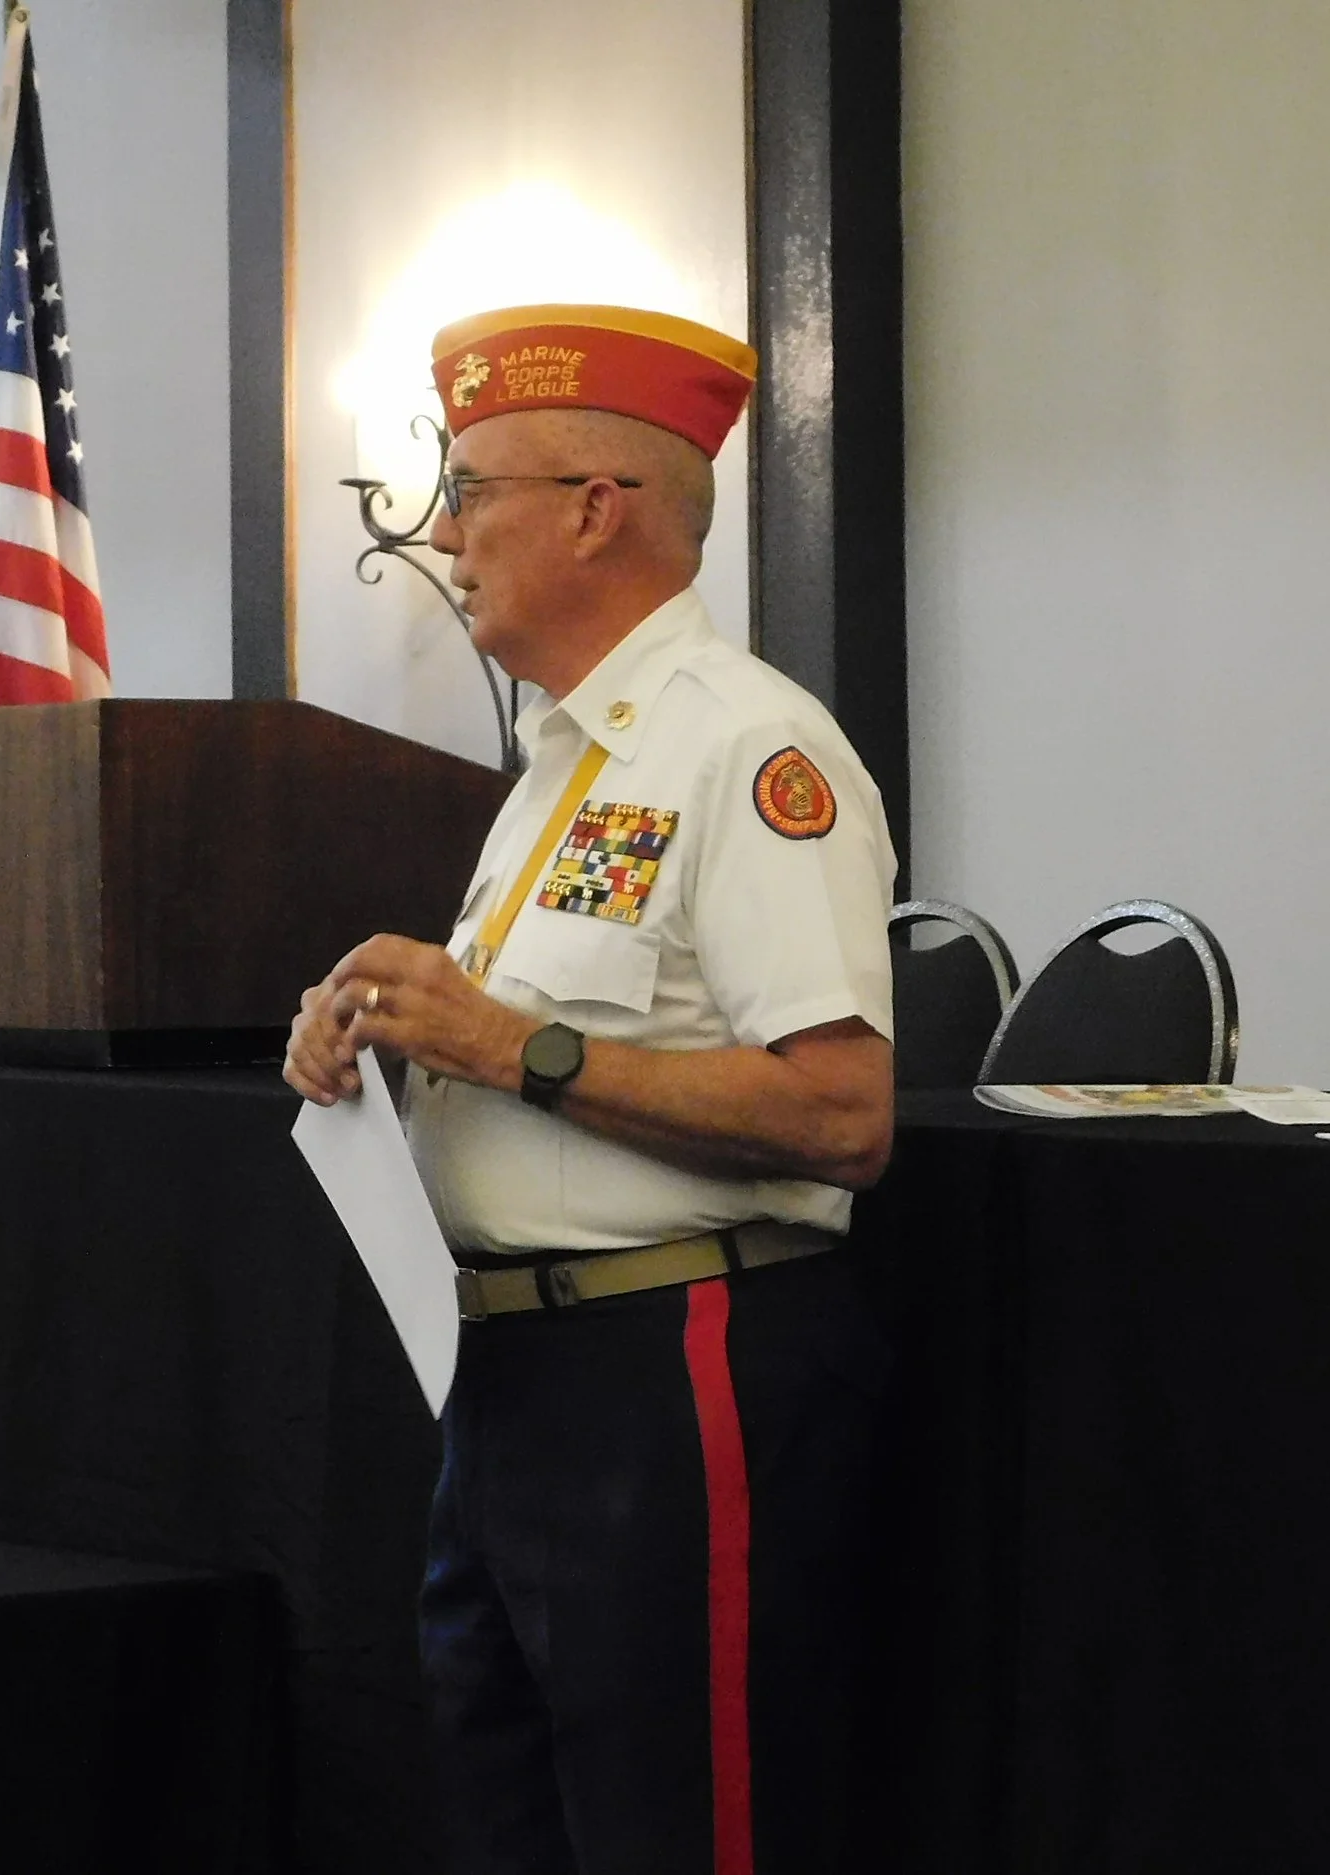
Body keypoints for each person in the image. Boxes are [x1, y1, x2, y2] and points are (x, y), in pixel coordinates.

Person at [284, 303, 897, 1875]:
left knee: (679, 1828)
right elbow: (512, 1041)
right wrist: (378, 1037)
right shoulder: (558, 768)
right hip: (507, 1375)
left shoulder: (750, 750)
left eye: (471, 489)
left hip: (675, 1362)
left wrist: (511, 1046)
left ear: (594, 510)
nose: (445, 533)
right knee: (515, 1822)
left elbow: (843, 1114)